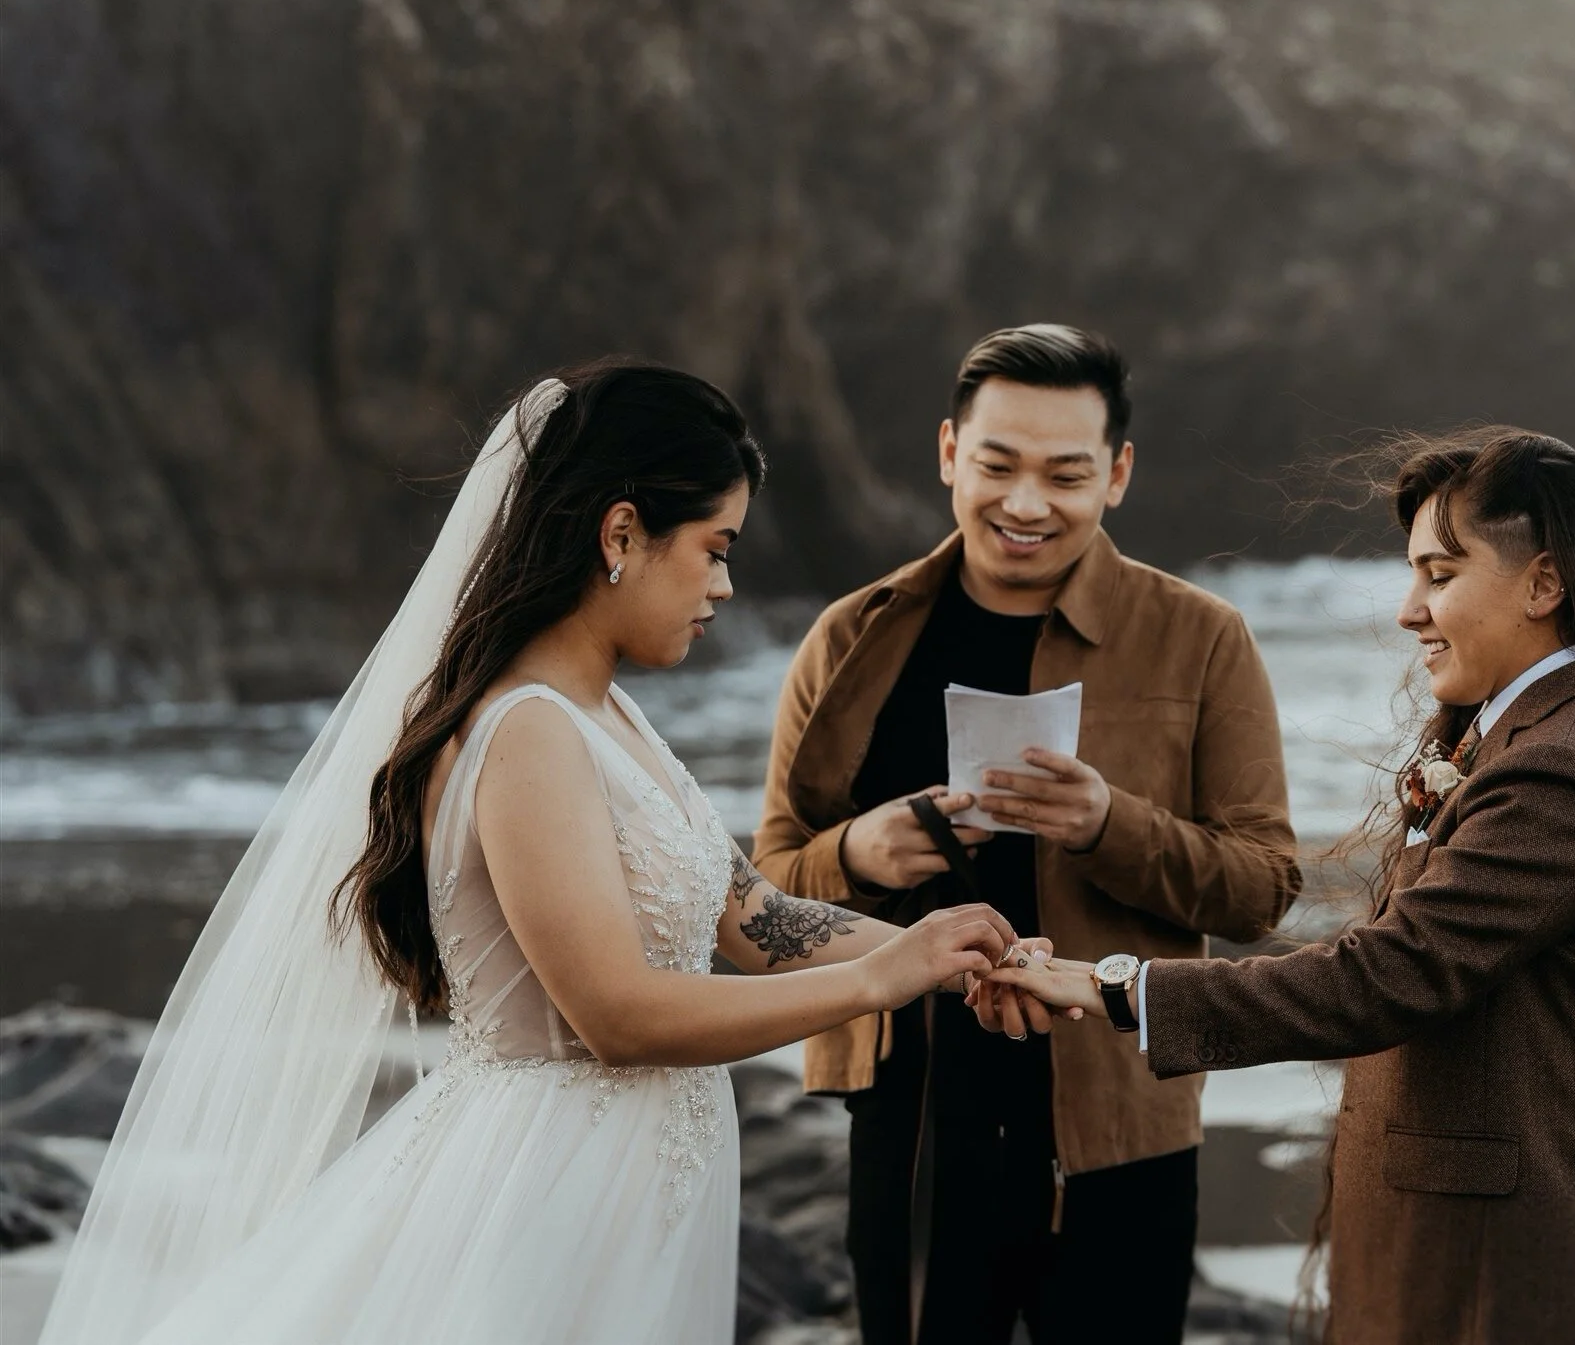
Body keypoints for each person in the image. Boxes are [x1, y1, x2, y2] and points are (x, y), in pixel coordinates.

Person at [36, 361, 1028, 1345]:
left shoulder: (611, 716)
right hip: (547, 1192)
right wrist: (880, 983)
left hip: (633, 1191)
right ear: (621, 534)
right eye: (714, 549)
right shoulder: (527, 733)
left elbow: (757, 922)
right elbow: (615, 1014)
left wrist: (965, 953)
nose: (725, 586)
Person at [987, 427, 1575, 1344]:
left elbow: (1386, 975)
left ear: (1544, 583)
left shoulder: (1567, 770)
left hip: (1520, 1268)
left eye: (1440, 576)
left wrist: (1118, 985)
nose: (1409, 609)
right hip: (1468, 1253)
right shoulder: (1535, 735)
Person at [752, 324, 1301, 1344]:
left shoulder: (1199, 639)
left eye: (1065, 473)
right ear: (949, 452)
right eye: (997, 464)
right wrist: (858, 854)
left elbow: (1262, 887)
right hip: (907, 1105)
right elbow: (764, 887)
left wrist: (1109, 825)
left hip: (1119, 1110)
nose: (1025, 504)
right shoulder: (851, 635)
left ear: (1118, 475)